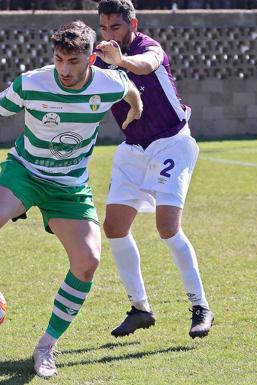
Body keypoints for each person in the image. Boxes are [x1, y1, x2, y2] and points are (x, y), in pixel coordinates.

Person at [0, 20, 142, 378]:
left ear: (91, 60)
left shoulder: (108, 83)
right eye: (58, 60)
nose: (64, 70)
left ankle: (46, 347)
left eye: (73, 62)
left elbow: (130, 91)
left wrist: (137, 108)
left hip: (68, 186)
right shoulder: (33, 82)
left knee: (88, 263)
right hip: (25, 171)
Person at [93, 0, 214, 339]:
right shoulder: (100, 61)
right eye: (103, 28)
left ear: (133, 23)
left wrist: (121, 61)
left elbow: (146, 66)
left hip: (171, 142)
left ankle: (200, 306)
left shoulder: (149, 48)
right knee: (114, 227)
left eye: (115, 27)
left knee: (166, 226)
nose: (109, 35)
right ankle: (140, 308)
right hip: (132, 149)